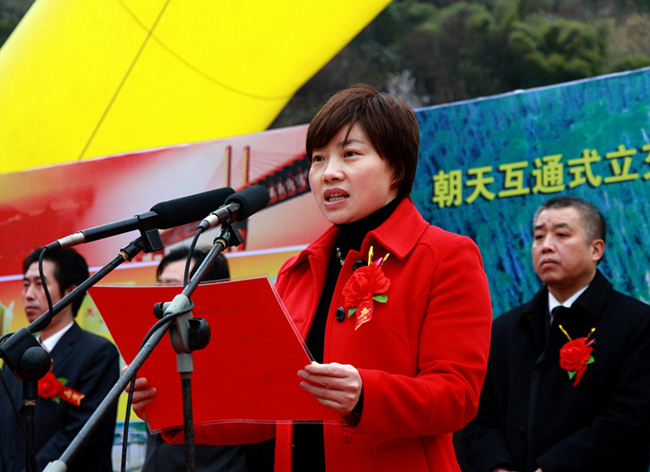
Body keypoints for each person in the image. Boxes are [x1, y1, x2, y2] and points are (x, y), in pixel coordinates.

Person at [130, 84, 493, 471]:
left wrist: (365, 395)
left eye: (350, 154)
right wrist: (175, 408)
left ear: (397, 170)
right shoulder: (298, 271)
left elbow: (458, 396)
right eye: (318, 159)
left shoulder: (445, 256)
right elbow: (268, 409)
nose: (329, 173)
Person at [462, 196, 650, 472]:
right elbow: (479, 416)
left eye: (561, 235)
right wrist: (497, 466)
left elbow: (629, 420)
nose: (546, 246)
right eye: (539, 237)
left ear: (596, 249)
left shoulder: (637, 323)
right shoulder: (505, 328)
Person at [0, 247, 120, 472]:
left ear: (71, 292)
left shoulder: (99, 353)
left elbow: (81, 434)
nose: (28, 294)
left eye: (40, 284)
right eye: (26, 284)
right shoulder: (14, 355)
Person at [142, 245, 255, 472]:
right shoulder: (154, 342)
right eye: (158, 285)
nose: (162, 296)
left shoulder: (240, 353)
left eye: (171, 286)